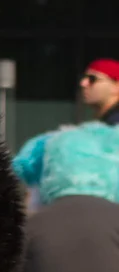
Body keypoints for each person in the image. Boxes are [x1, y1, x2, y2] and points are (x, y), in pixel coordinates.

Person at [13, 59, 119, 207]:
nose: (83, 83)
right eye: (84, 78)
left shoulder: (113, 129)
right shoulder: (102, 126)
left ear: (116, 85)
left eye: (93, 79)